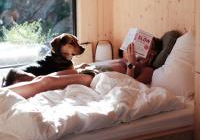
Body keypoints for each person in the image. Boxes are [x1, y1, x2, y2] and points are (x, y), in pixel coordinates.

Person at [3, 37, 162, 99]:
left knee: (47, 82)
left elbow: (131, 84)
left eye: (150, 50)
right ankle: (6, 92)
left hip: (94, 77)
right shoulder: (125, 58)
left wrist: (131, 63)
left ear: (153, 55)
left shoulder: (147, 70)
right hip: (89, 70)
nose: (146, 52)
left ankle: (4, 96)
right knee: (41, 79)